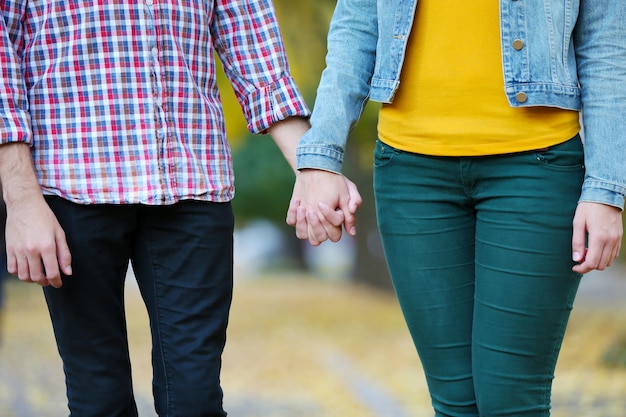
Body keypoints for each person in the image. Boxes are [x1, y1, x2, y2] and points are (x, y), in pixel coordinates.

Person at [0, 1, 341, 415]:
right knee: (98, 401)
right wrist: (20, 199)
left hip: (192, 180)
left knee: (195, 402)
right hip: (72, 183)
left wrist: (312, 167)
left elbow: (255, 46)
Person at [288, 0, 625, 415]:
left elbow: (606, 43)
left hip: (536, 166)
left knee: (510, 402)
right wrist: (320, 155)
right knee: (454, 404)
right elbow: (357, 22)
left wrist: (605, 189)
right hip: (411, 171)